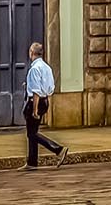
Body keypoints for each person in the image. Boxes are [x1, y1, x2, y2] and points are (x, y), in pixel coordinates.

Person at [23, 42, 67, 170]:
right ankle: (32, 162)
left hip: (35, 103)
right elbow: (50, 88)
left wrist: (35, 109)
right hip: (45, 100)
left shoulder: (34, 69)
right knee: (33, 132)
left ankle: (58, 149)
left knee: (32, 134)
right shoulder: (47, 67)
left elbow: (36, 91)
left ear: (32, 53)